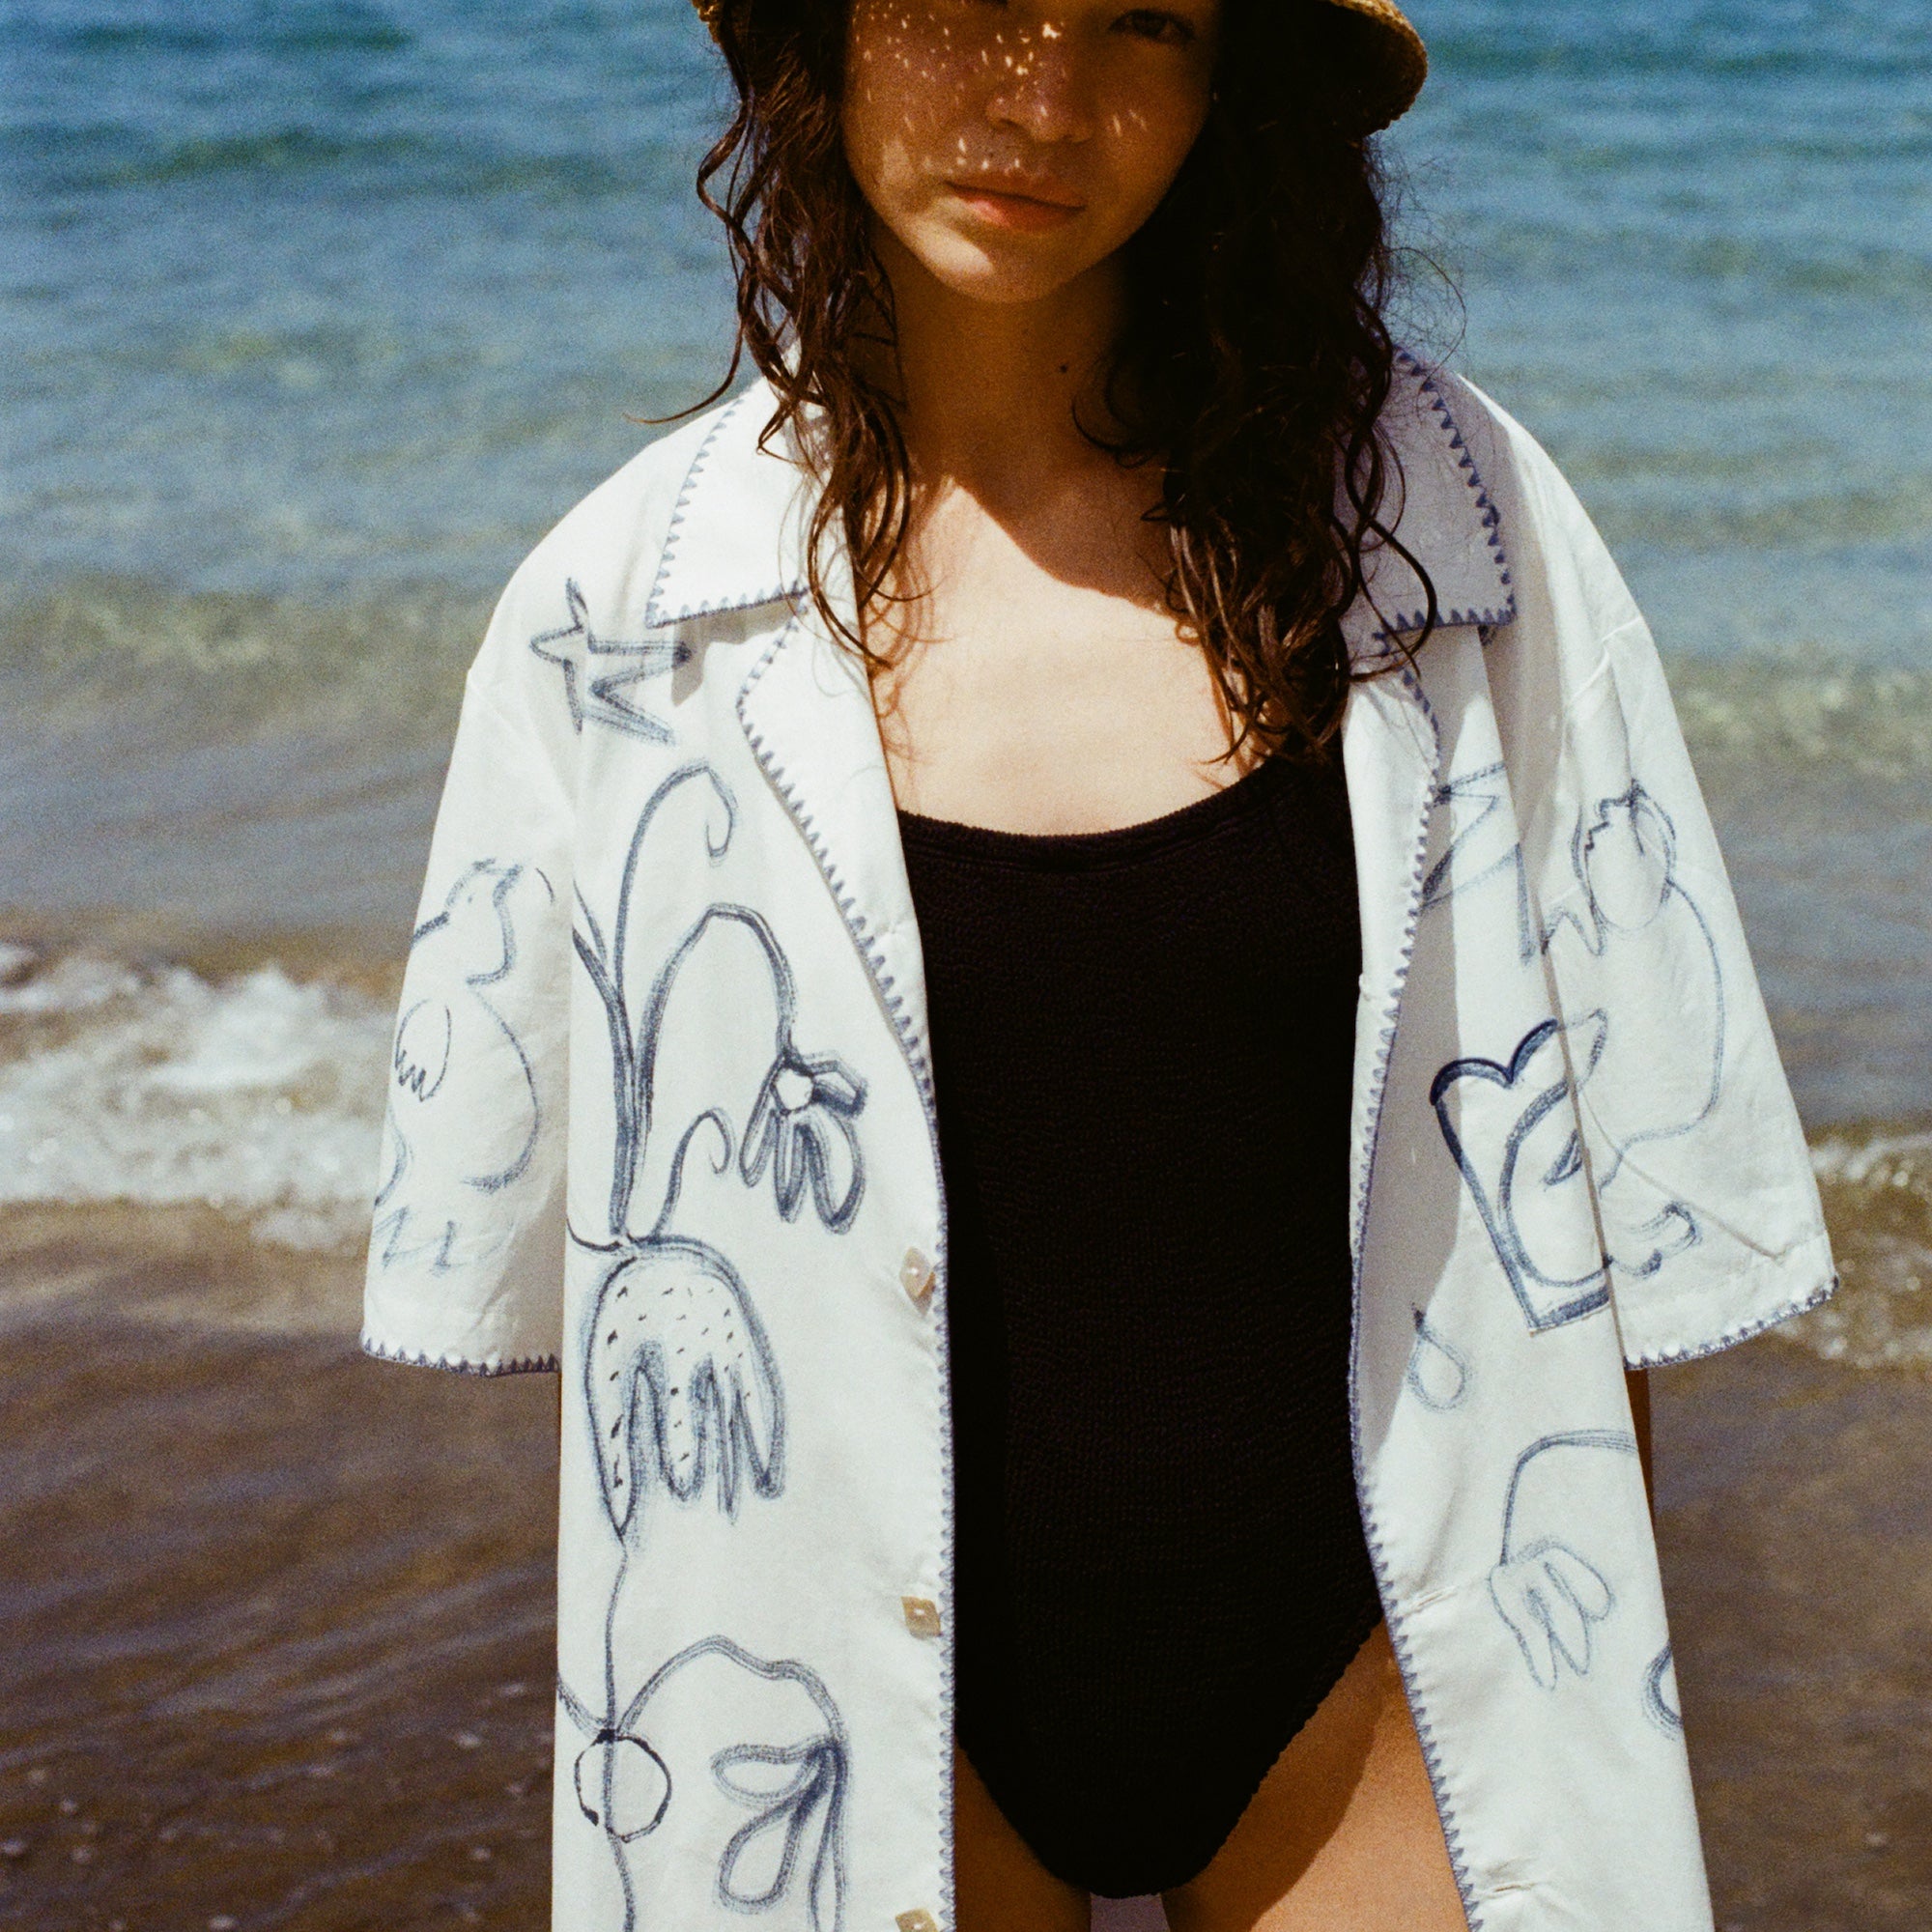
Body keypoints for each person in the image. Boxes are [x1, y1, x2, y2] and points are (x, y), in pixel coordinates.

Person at [361, 0, 1835, 1926]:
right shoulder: (618, 620)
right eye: (970, 0)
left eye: (1140, 19)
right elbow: (596, 1349)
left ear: (1237, 75)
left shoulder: (1449, 532)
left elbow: (1625, 1208)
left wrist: (1554, 1664)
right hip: (825, 1701)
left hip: (1368, 1693)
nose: (1041, 97)